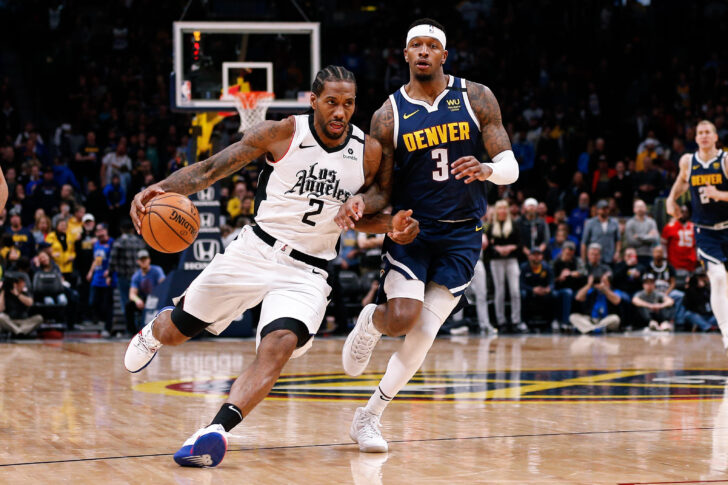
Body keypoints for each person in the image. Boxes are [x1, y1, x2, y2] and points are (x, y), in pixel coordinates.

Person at [123, 66, 419, 468]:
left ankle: (213, 432)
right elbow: (211, 169)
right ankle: (156, 329)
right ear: (313, 101)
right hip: (253, 251)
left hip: (308, 271)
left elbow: (368, 209)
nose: (340, 112)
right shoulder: (280, 133)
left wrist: (383, 220)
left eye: (348, 104)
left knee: (278, 346)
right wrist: (159, 189)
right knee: (176, 332)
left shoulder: (367, 152)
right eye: (332, 102)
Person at [337, 19, 518, 453]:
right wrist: (362, 202)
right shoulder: (388, 114)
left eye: (430, 45)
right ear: (405, 55)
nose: (423, 51)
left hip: (463, 236)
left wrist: (487, 169)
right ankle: (372, 321)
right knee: (401, 318)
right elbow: (382, 188)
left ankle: (369, 417)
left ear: (443, 55)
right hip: (413, 231)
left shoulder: (476, 97)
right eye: (415, 45)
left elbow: (510, 166)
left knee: (424, 334)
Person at [666, 119, 728, 353]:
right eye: (699, 133)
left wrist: (719, 194)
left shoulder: (725, 160)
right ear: (695, 138)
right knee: (718, 278)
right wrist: (672, 199)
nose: (703, 136)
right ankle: (726, 334)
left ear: (715, 137)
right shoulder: (688, 161)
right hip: (705, 231)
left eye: (707, 132)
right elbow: (682, 182)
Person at [486, 200, 522, 331]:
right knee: (500, 291)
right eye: (499, 208)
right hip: (496, 261)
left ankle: (516, 320)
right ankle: (501, 321)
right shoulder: (490, 226)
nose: (502, 211)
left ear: (507, 210)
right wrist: (498, 249)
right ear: (496, 211)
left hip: (512, 260)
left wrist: (510, 248)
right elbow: (488, 247)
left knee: (515, 291)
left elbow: (520, 244)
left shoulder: (514, 225)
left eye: (504, 208)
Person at [126, 249, 165, 334]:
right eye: (141, 260)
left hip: (157, 298)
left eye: (145, 259)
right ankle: (133, 332)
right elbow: (131, 294)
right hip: (144, 300)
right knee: (129, 306)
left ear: (149, 260)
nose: (144, 261)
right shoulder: (136, 276)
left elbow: (163, 285)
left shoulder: (157, 270)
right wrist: (137, 300)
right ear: (138, 261)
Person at [581, 199, 620, 264]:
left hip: (610, 258)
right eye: (603, 209)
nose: (605, 211)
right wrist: (583, 260)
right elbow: (584, 242)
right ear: (598, 210)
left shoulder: (614, 222)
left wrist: (617, 252)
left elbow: (618, 240)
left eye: (607, 208)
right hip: (594, 259)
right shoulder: (590, 223)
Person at [661, 204, 697, 272]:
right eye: (682, 211)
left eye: (686, 212)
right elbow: (663, 244)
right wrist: (665, 257)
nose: (684, 214)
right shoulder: (670, 227)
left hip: (690, 262)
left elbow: (696, 245)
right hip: (675, 261)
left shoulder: (693, 227)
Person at [625, 199, 659, 265]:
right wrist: (648, 237)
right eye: (638, 207)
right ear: (634, 209)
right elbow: (631, 241)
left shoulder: (651, 222)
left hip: (650, 254)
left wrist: (639, 236)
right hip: (635, 255)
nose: (640, 209)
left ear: (645, 208)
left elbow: (655, 238)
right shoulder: (630, 223)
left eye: (642, 207)